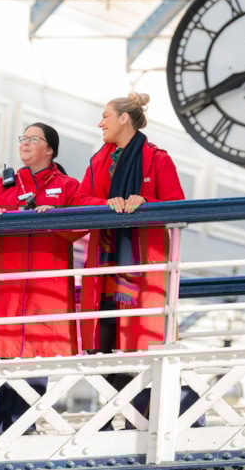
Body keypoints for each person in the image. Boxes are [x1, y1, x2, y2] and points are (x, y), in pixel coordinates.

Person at [74, 92, 202, 429]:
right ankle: (110, 418)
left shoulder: (157, 159)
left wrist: (145, 201)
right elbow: (81, 199)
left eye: (105, 116)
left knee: (140, 346)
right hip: (104, 265)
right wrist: (106, 204)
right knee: (103, 346)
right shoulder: (97, 160)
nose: (100, 123)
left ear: (124, 119)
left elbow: (177, 205)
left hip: (141, 271)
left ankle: (136, 422)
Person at [0, 122, 82, 433]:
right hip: (6, 286)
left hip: (46, 289)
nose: (26, 143)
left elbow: (85, 222)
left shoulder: (69, 186)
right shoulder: (1, 185)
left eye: (34, 139)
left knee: (37, 357)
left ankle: (26, 428)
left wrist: (56, 219)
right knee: (3, 355)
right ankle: (2, 428)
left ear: (50, 149)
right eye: (24, 138)